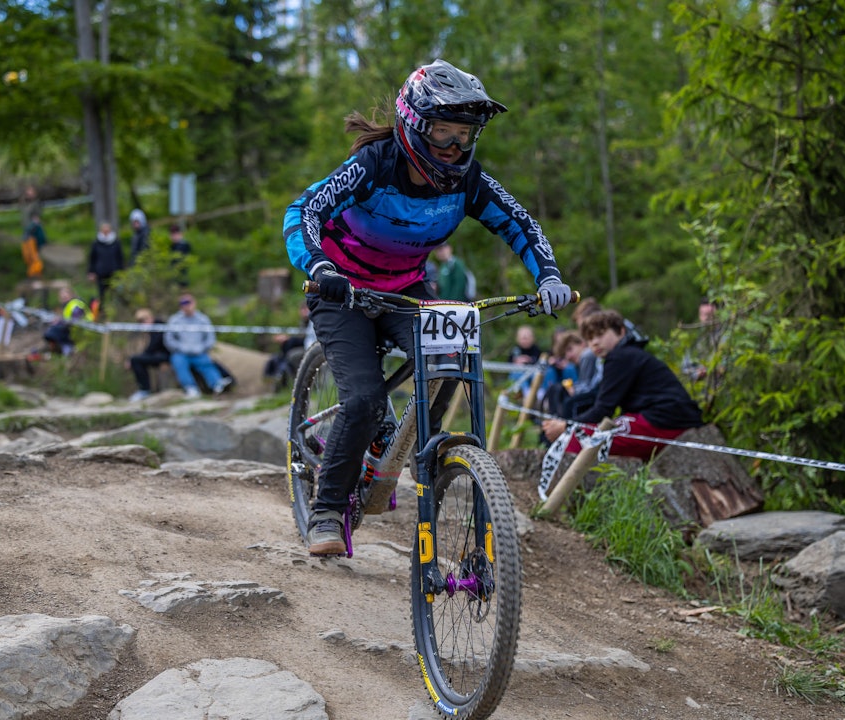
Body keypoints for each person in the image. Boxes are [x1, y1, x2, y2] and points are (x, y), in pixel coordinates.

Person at [282, 58, 572, 555]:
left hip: (405, 289)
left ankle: (412, 445)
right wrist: (319, 267)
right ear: (414, 125)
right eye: (443, 132)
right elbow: (303, 210)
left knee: (452, 353)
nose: (455, 146)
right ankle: (327, 507)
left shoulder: (467, 180)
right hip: (342, 291)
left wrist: (548, 275)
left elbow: (520, 222)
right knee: (363, 399)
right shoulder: (375, 164)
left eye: (465, 134)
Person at [541, 309, 704, 461]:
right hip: (667, 419)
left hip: (663, 421)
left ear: (621, 332)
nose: (595, 342)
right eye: (590, 339)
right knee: (589, 434)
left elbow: (603, 409)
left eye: (600, 335)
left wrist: (566, 426)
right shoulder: (627, 354)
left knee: (577, 439)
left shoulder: (620, 357)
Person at [164, 293, 229, 399]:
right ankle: (190, 388)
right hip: (181, 353)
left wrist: (202, 348)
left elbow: (210, 338)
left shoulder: (203, 319)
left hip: (199, 352)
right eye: (183, 304)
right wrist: (180, 348)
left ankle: (217, 384)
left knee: (206, 363)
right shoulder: (174, 320)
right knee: (179, 363)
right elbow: (168, 339)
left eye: (188, 303)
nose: (186, 306)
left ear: (194, 303)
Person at [125, 308, 170, 402]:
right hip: (157, 355)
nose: (142, 324)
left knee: (135, 360)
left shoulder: (159, 326)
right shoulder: (149, 331)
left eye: (144, 320)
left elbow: (153, 346)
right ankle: (144, 389)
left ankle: (145, 390)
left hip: (167, 355)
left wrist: (134, 358)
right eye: (140, 322)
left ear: (150, 318)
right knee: (136, 360)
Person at [87, 221, 124, 311]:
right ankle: (103, 312)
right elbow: (92, 258)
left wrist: (121, 272)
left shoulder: (116, 242)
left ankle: (115, 311)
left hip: (114, 273)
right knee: (102, 295)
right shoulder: (96, 243)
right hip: (101, 273)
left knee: (115, 294)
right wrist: (91, 272)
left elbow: (120, 258)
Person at [43, 287, 91, 356]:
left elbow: (75, 319)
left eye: (65, 295)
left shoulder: (75, 304)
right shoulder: (68, 305)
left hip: (81, 330)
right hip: (75, 329)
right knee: (51, 330)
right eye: (61, 296)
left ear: (71, 294)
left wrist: (60, 322)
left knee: (53, 331)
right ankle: (62, 350)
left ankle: (67, 349)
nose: (63, 297)